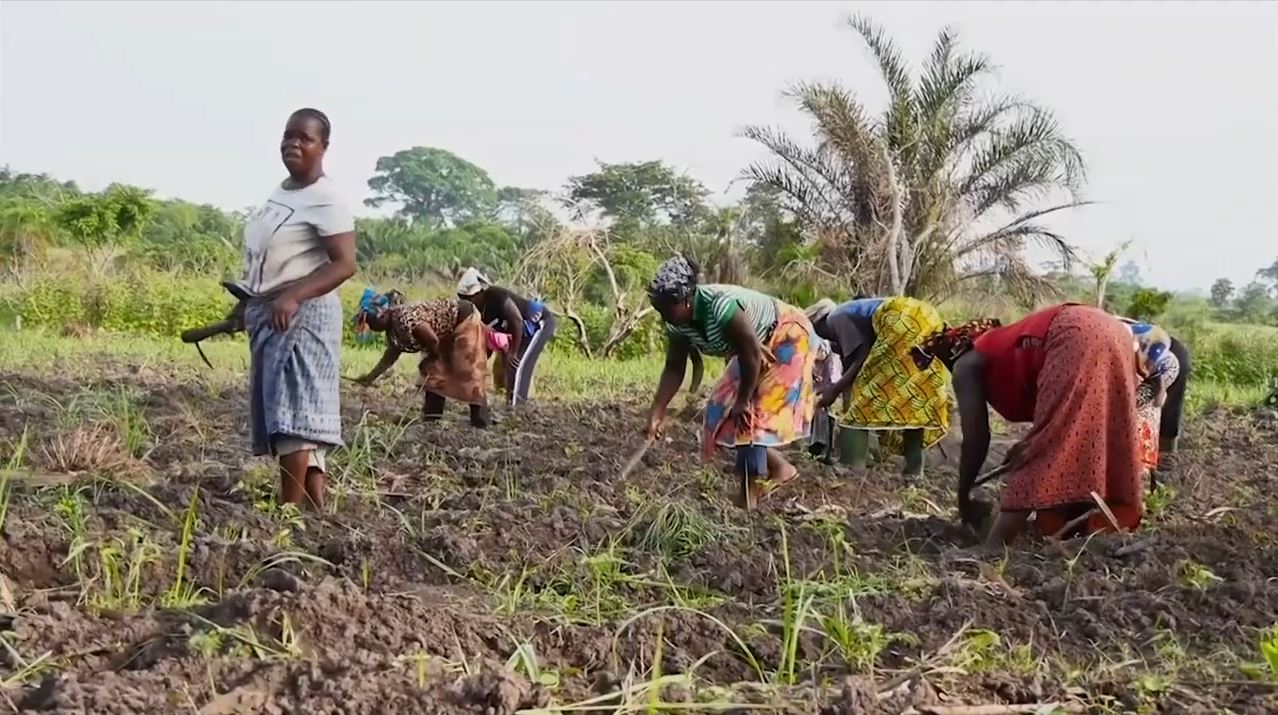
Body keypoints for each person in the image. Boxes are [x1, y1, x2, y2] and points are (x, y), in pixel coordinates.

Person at [914, 303, 1144, 549]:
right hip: (1115, 332)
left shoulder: (965, 364)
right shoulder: (1007, 343)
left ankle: (994, 546)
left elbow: (976, 439)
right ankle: (1086, 531)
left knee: (1042, 448)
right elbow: (1064, 414)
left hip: (1073, 335)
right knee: (1092, 436)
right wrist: (1025, 443)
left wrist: (964, 497)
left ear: (954, 350)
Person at [234, 108, 356, 510]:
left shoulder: (326, 198)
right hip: (274, 312)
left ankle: (288, 512)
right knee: (297, 409)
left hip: (303, 317)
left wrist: (293, 296)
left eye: (304, 138)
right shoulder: (283, 191)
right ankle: (313, 507)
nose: (293, 143)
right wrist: (251, 301)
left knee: (296, 413)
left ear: (323, 146)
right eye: (288, 136)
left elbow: (344, 263)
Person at [644, 256, 818, 509]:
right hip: (753, 348)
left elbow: (750, 355)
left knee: (750, 418)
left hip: (787, 336)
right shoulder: (677, 323)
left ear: (686, 299)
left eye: (667, 310)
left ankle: (748, 498)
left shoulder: (721, 306)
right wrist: (656, 412)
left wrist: (743, 400)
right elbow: (674, 367)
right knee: (718, 408)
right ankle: (781, 467)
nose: (664, 317)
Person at [806, 295, 951, 476]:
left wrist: (834, 391)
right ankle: (914, 472)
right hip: (928, 316)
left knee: (864, 396)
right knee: (915, 397)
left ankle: (850, 465)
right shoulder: (854, 312)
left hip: (899, 319)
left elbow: (859, 360)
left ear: (818, 325)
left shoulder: (835, 318)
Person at [350, 288, 491, 427]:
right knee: (433, 373)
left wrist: (436, 357)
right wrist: (370, 377)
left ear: (383, 315)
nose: (370, 326)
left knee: (468, 370)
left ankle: (480, 420)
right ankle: (432, 418)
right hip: (443, 331)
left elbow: (432, 340)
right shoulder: (393, 329)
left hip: (464, 318)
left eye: (370, 321)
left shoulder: (404, 318)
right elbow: (391, 355)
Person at [456, 268, 556, 407]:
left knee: (518, 364)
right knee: (508, 366)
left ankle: (516, 410)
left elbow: (517, 321)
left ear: (478, 294)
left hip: (537, 323)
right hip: (517, 333)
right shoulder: (477, 312)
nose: (465, 303)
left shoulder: (496, 296)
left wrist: (513, 352)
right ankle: (511, 404)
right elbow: (486, 341)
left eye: (467, 299)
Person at [1118, 318, 1183, 474]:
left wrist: (1151, 387)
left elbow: (1148, 378)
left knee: (1134, 408)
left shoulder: (1155, 354)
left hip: (1159, 370)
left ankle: (1140, 464)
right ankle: (1138, 462)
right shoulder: (1127, 335)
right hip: (1149, 368)